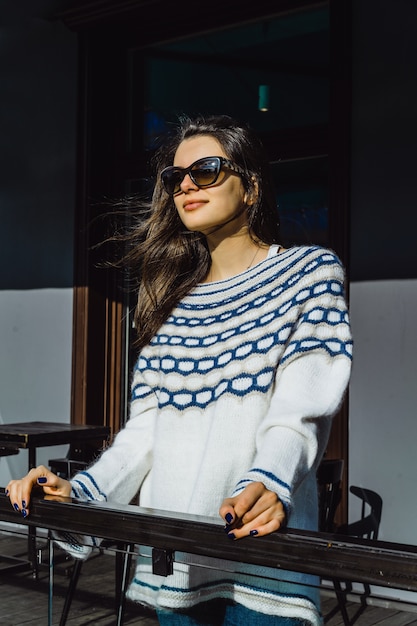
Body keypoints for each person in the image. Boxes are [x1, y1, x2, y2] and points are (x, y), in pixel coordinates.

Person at [6, 114, 353, 626]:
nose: (187, 184)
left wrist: (271, 482)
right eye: (175, 178)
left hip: (262, 564)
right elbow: (142, 438)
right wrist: (77, 493)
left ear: (251, 186)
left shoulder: (309, 274)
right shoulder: (172, 309)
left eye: (207, 169)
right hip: (173, 565)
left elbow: (301, 409)